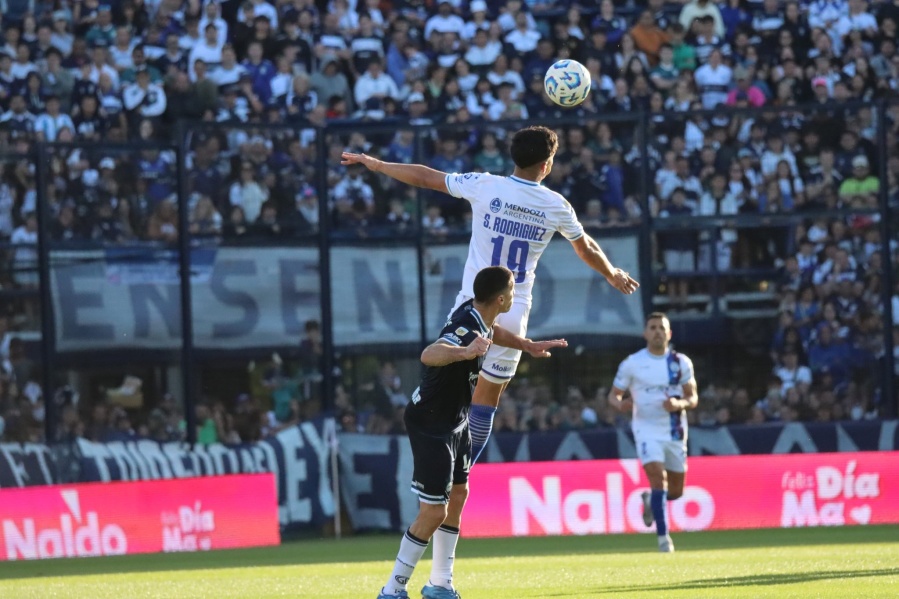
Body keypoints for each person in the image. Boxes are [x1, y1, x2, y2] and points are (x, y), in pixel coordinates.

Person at [341, 125, 639, 466]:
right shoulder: (556, 205)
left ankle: (438, 473)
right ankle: (461, 475)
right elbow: (585, 247)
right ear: (547, 165)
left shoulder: (485, 185)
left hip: (472, 306)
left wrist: (378, 165)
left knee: (448, 391)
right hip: (512, 309)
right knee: (485, 403)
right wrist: (611, 273)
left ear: (513, 157)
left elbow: (426, 177)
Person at [377, 266, 567, 599]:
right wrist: (465, 352)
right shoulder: (467, 327)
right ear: (501, 299)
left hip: (456, 420)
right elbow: (429, 354)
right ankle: (393, 590)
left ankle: (440, 583)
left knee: (459, 495)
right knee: (434, 511)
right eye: (512, 289)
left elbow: (494, 333)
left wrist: (526, 345)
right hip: (432, 423)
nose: (515, 294)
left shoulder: (479, 314)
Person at [607, 312, 697, 553]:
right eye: (653, 327)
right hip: (646, 430)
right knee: (658, 479)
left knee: (675, 491)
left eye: (662, 328)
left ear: (669, 334)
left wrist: (679, 404)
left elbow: (693, 397)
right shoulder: (632, 363)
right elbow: (613, 396)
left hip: (675, 431)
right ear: (645, 333)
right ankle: (663, 539)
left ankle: (650, 500)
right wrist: (621, 405)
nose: (658, 332)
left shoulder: (681, 362)